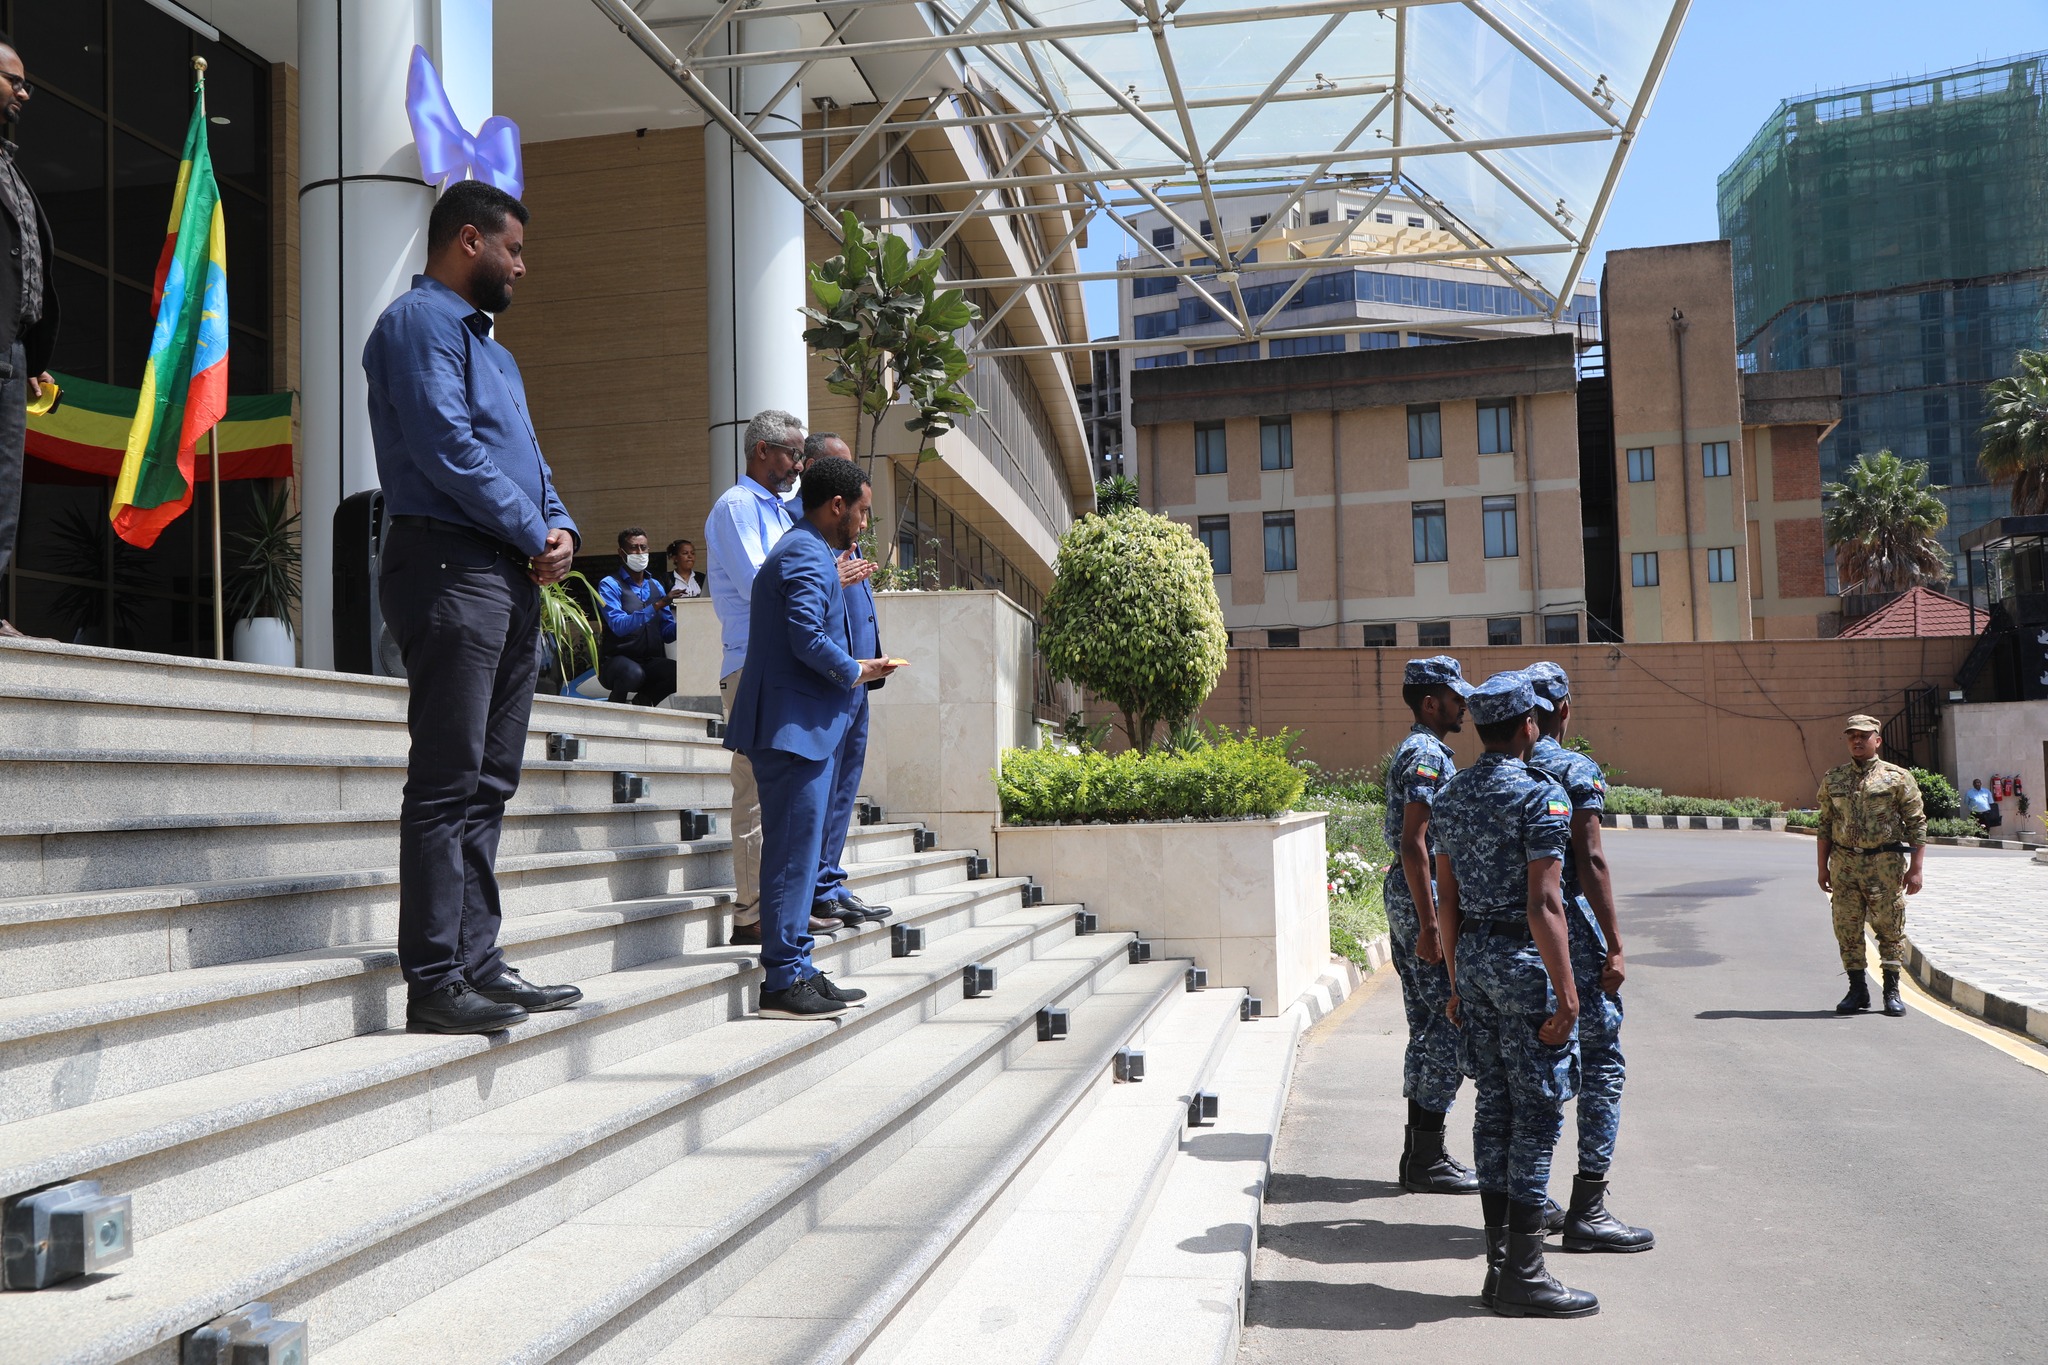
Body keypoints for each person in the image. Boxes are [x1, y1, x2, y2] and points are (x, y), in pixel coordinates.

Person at [363, 179, 584, 1035]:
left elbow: (528, 457)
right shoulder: (418, 326)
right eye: (513, 249)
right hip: (449, 565)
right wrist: (535, 528)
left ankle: (477, 961)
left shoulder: (495, 351)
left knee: (491, 781)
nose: (521, 267)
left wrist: (558, 524)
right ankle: (433, 979)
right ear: (468, 241)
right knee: (448, 779)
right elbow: (447, 447)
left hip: (505, 574)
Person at [1433, 670, 1597, 1319]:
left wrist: (1453, 980)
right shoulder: (1541, 797)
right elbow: (1545, 901)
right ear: (1528, 725)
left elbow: (1447, 899)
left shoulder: (1452, 793)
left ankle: (1501, 1262)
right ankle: (1524, 1272)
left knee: (1492, 1107)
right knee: (1536, 1113)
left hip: (1473, 960)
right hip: (1525, 966)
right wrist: (1567, 991)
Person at [723, 456, 899, 1018]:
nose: (865, 525)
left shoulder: (812, 549)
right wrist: (856, 669)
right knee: (792, 859)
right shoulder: (803, 551)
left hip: (803, 729)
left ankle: (796, 965)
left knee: (798, 857)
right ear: (837, 506)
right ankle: (781, 980)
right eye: (863, 513)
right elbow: (805, 634)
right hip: (791, 732)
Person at [706, 411, 876, 947]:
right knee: (756, 796)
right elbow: (768, 587)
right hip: (754, 666)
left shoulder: (781, 512)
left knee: (789, 805)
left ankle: (787, 911)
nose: (800, 465)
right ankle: (754, 913)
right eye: (793, 454)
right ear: (762, 451)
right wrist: (830, 575)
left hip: (792, 673)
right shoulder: (737, 507)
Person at [1523, 662, 1653, 1253]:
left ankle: (1529, 1198)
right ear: (1565, 710)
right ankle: (1589, 1206)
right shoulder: (1575, 770)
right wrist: (1617, 944)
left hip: (1509, 941)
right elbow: (1591, 861)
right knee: (1601, 1063)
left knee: (1526, 1071)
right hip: (1569, 930)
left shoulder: (1496, 770)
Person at [1383, 655, 1480, 1195]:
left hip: (1414, 895)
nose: (1463, 704)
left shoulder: (1423, 750)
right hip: (1424, 901)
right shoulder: (1425, 756)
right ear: (1429, 702)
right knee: (1445, 1022)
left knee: (1427, 1026)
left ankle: (1421, 1154)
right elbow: (1415, 841)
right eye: (1454, 695)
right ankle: (1427, 1157)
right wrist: (1430, 924)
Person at [802, 431, 892, 928]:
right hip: (830, 681)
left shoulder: (845, 539)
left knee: (844, 788)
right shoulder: (808, 543)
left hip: (856, 679)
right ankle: (814, 890)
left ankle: (830, 881)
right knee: (823, 788)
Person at [0, 39, 60, 640]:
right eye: (12, 80)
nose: (22, 93)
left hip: (13, 356)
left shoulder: (10, 169)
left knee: (4, 485)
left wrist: (33, 356)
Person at [1817, 715, 1926, 1018]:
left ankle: (1891, 990)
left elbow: (1917, 824)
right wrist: (1822, 868)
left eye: (1864, 735)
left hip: (1885, 864)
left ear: (1877, 740)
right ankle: (1857, 990)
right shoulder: (1834, 778)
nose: (1857, 740)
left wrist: (1916, 868)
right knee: (1846, 927)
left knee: (1890, 927)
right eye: (1852, 735)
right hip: (1844, 864)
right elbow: (1825, 825)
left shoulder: (1897, 777)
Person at [596, 527, 678, 706]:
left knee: (678, 673)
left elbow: (667, 633)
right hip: (616, 662)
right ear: (621, 552)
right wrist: (657, 605)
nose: (640, 553)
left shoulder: (655, 585)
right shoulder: (610, 585)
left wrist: (689, 622)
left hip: (649, 661)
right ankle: (614, 708)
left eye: (644, 548)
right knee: (633, 673)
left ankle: (642, 704)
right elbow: (618, 625)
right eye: (634, 548)